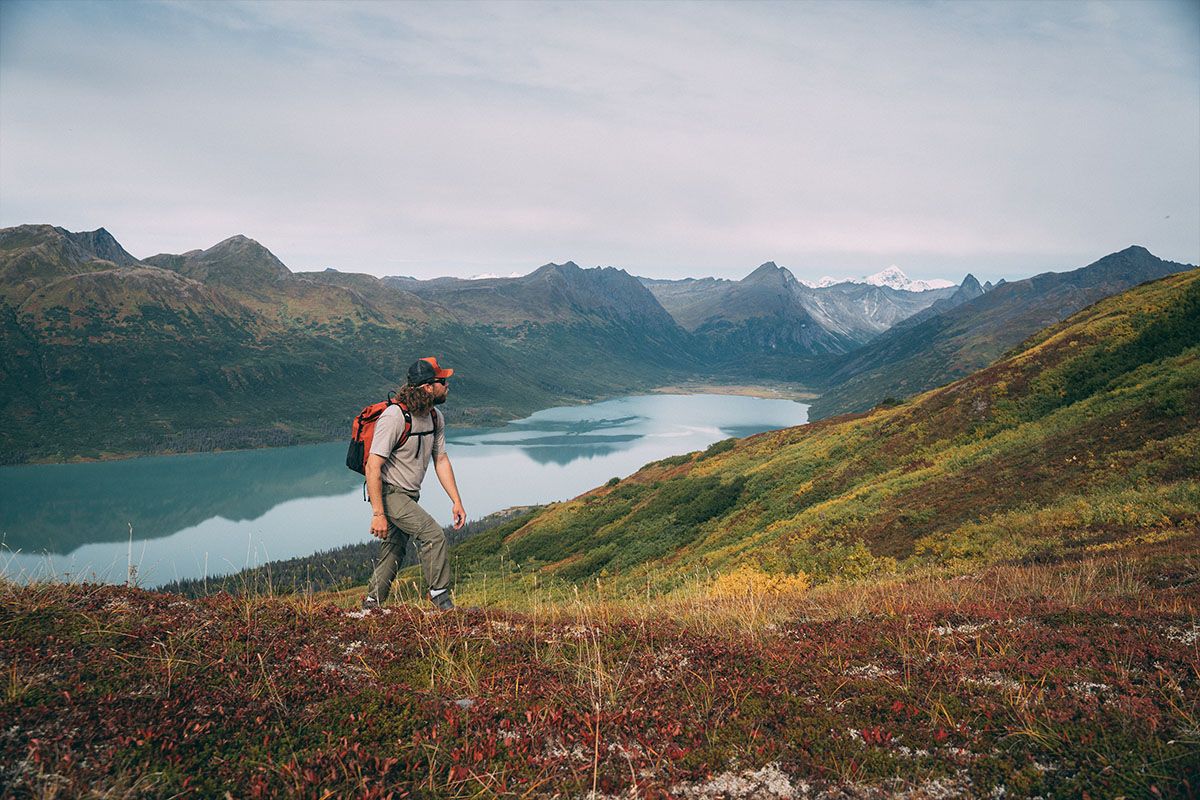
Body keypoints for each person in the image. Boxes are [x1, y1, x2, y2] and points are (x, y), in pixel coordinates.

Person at [362, 357, 466, 611]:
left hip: (409, 495)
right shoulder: (395, 416)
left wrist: (456, 500)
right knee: (433, 536)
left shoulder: (435, 416)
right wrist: (378, 514)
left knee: (394, 549)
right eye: (443, 381)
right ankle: (440, 597)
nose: (447, 385)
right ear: (428, 387)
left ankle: (372, 604)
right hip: (389, 493)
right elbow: (372, 466)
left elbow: (441, 460)